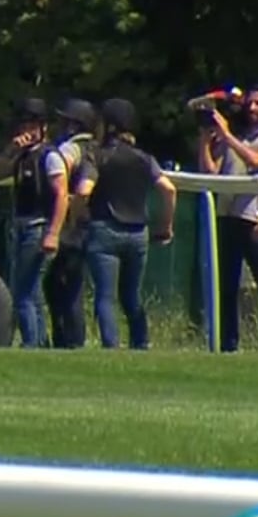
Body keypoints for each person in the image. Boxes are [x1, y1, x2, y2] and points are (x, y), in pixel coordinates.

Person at [197, 85, 258, 353]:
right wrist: (206, 139)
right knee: (226, 284)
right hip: (228, 215)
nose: (252, 108)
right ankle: (228, 343)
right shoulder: (235, 137)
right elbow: (211, 172)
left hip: (255, 218)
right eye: (250, 103)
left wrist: (226, 135)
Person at [82, 98, 176, 350]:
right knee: (132, 296)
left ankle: (111, 345)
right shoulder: (144, 158)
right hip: (138, 231)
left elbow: (83, 190)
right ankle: (140, 341)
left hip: (104, 227)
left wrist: (76, 216)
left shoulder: (97, 155)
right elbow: (168, 189)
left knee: (105, 296)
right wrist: (165, 225)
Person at [0, 97, 69, 349]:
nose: (26, 131)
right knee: (32, 292)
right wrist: (11, 150)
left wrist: (53, 233)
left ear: (43, 127)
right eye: (23, 125)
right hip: (21, 225)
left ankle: (30, 343)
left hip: (38, 226)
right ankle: (41, 342)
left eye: (32, 125)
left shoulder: (50, 157)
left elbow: (61, 195)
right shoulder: (22, 157)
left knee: (21, 292)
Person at [41, 98, 99, 349]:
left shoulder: (71, 149)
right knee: (69, 283)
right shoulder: (98, 148)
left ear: (74, 124)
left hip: (73, 224)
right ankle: (70, 339)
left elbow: (64, 180)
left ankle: (68, 340)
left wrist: (70, 217)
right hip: (93, 224)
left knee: (61, 284)